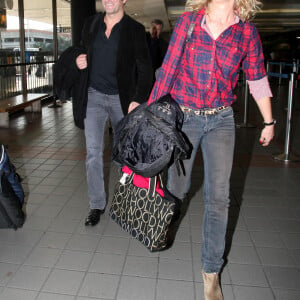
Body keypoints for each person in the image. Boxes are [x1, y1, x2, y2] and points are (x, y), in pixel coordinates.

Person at [148, 0, 275, 299]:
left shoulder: (246, 33)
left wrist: (269, 121)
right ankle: (165, 222)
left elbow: (256, 77)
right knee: (178, 188)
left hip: (221, 119)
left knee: (218, 199)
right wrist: (149, 115)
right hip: (185, 116)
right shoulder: (189, 22)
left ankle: (211, 271)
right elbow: (167, 71)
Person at [75, 0, 153, 226]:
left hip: (123, 100)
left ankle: (126, 202)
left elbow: (145, 67)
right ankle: (96, 205)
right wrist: (77, 60)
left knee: (125, 155)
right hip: (94, 97)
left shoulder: (135, 29)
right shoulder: (91, 24)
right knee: (93, 153)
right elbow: (80, 50)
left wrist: (138, 99)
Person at [146, 19, 168, 84]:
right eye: (154, 28)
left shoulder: (163, 44)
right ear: (150, 28)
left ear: (160, 31)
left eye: (158, 29)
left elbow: (164, 61)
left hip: (154, 74)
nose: (155, 31)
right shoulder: (142, 39)